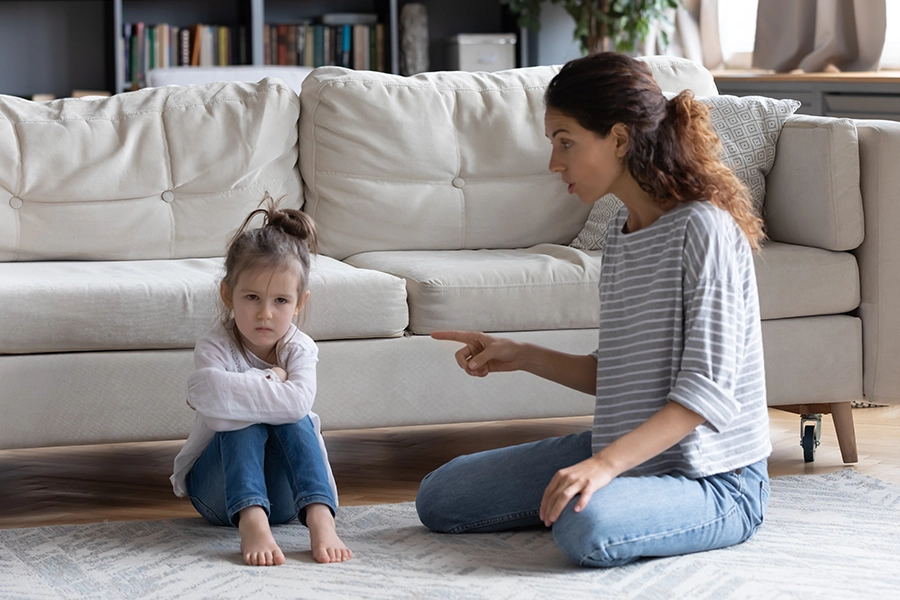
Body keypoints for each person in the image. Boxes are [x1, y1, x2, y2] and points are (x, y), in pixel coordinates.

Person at [415, 52, 771, 568]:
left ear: (620, 139)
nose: (554, 163)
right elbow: (616, 375)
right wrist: (520, 353)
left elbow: (705, 397)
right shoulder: (621, 235)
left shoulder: (705, 230)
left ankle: (620, 496)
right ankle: (619, 491)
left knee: (586, 524)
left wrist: (602, 466)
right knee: (442, 496)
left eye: (566, 142)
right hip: (636, 456)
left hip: (717, 481)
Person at [171, 194, 352, 566]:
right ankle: (252, 521)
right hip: (218, 497)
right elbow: (208, 399)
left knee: (296, 418)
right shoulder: (214, 346)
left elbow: (298, 403)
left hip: (288, 501)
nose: (265, 314)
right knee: (244, 421)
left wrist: (236, 392)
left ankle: (320, 517)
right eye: (252, 297)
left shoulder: (300, 348)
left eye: (281, 301)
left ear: (299, 303)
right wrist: (274, 379)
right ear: (228, 295)